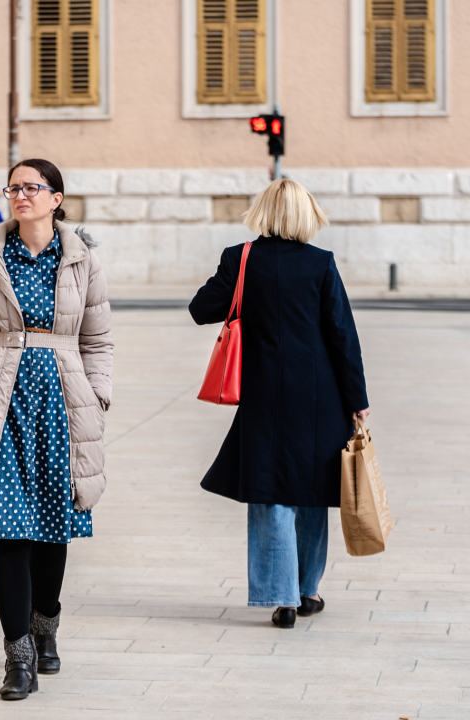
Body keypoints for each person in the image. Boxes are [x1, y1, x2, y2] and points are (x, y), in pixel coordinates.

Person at [0, 159, 112, 700]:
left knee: (53, 531)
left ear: (56, 198)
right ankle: (17, 658)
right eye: (13, 187)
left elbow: (98, 340)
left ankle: (46, 626)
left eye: (31, 188)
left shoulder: (81, 259)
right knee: (9, 530)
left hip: (62, 402)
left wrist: (97, 395)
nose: (19, 196)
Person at [188, 179, 370, 630]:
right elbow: (343, 337)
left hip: (263, 397)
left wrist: (240, 294)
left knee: (271, 494)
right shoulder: (321, 264)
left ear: (263, 212)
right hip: (320, 398)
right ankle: (308, 591)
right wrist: (357, 401)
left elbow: (200, 308)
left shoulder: (241, 258)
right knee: (311, 493)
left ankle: (281, 598)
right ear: (307, 215)